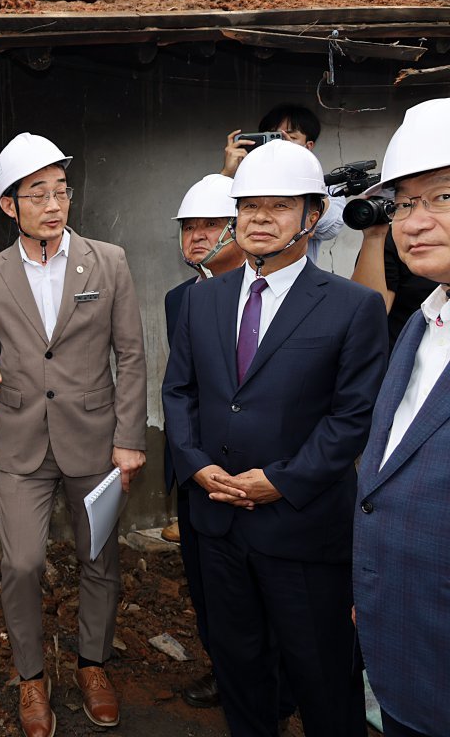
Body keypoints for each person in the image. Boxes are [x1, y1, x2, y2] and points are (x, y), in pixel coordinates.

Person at [163, 138, 387, 737]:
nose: (259, 218)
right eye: (249, 205)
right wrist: (194, 464)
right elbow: (179, 393)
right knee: (239, 670)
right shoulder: (200, 302)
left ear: (312, 218)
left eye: (279, 206)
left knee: (321, 675)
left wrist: (281, 482)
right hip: (218, 524)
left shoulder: (351, 308)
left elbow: (350, 418)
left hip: (302, 530)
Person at [0, 133, 147, 735]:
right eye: (36, 193)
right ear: (9, 205)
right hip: (20, 441)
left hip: (94, 439)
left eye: (60, 190)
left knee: (99, 558)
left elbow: (132, 355)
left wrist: (130, 436)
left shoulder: (107, 260)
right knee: (22, 563)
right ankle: (31, 679)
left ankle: (93, 665)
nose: (53, 203)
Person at [353, 97, 450, 737]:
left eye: (441, 197)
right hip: (404, 645)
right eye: (405, 203)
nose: (415, 221)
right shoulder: (421, 325)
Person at [161, 173, 243, 709]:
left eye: (210, 224)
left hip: (253, 472)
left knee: (254, 588)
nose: (196, 236)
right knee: (205, 584)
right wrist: (189, 461)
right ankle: (226, 673)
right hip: (194, 470)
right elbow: (182, 387)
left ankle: (272, 685)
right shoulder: (178, 299)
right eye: (188, 227)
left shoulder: (265, 295)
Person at [221, 103, 345, 262]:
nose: (278, 144)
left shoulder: (321, 184)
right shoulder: (240, 181)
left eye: (290, 138)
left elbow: (331, 227)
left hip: (297, 282)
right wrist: (227, 173)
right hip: (238, 280)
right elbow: (212, 223)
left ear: (308, 146)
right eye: (273, 137)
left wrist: (295, 168)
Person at [350, 224, 437, 351]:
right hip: (403, 355)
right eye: (403, 206)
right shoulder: (395, 237)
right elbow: (366, 316)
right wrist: (374, 238)